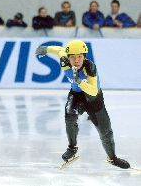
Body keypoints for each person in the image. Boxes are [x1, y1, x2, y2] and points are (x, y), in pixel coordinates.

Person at [35, 40, 131, 169]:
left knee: (105, 132)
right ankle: (72, 148)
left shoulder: (90, 67)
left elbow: (93, 90)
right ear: (68, 58)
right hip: (76, 95)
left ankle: (112, 158)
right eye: (73, 57)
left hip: (93, 99)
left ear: (84, 57)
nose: (76, 60)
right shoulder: (64, 60)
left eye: (80, 56)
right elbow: (59, 50)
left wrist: (79, 81)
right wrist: (45, 49)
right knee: (69, 116)